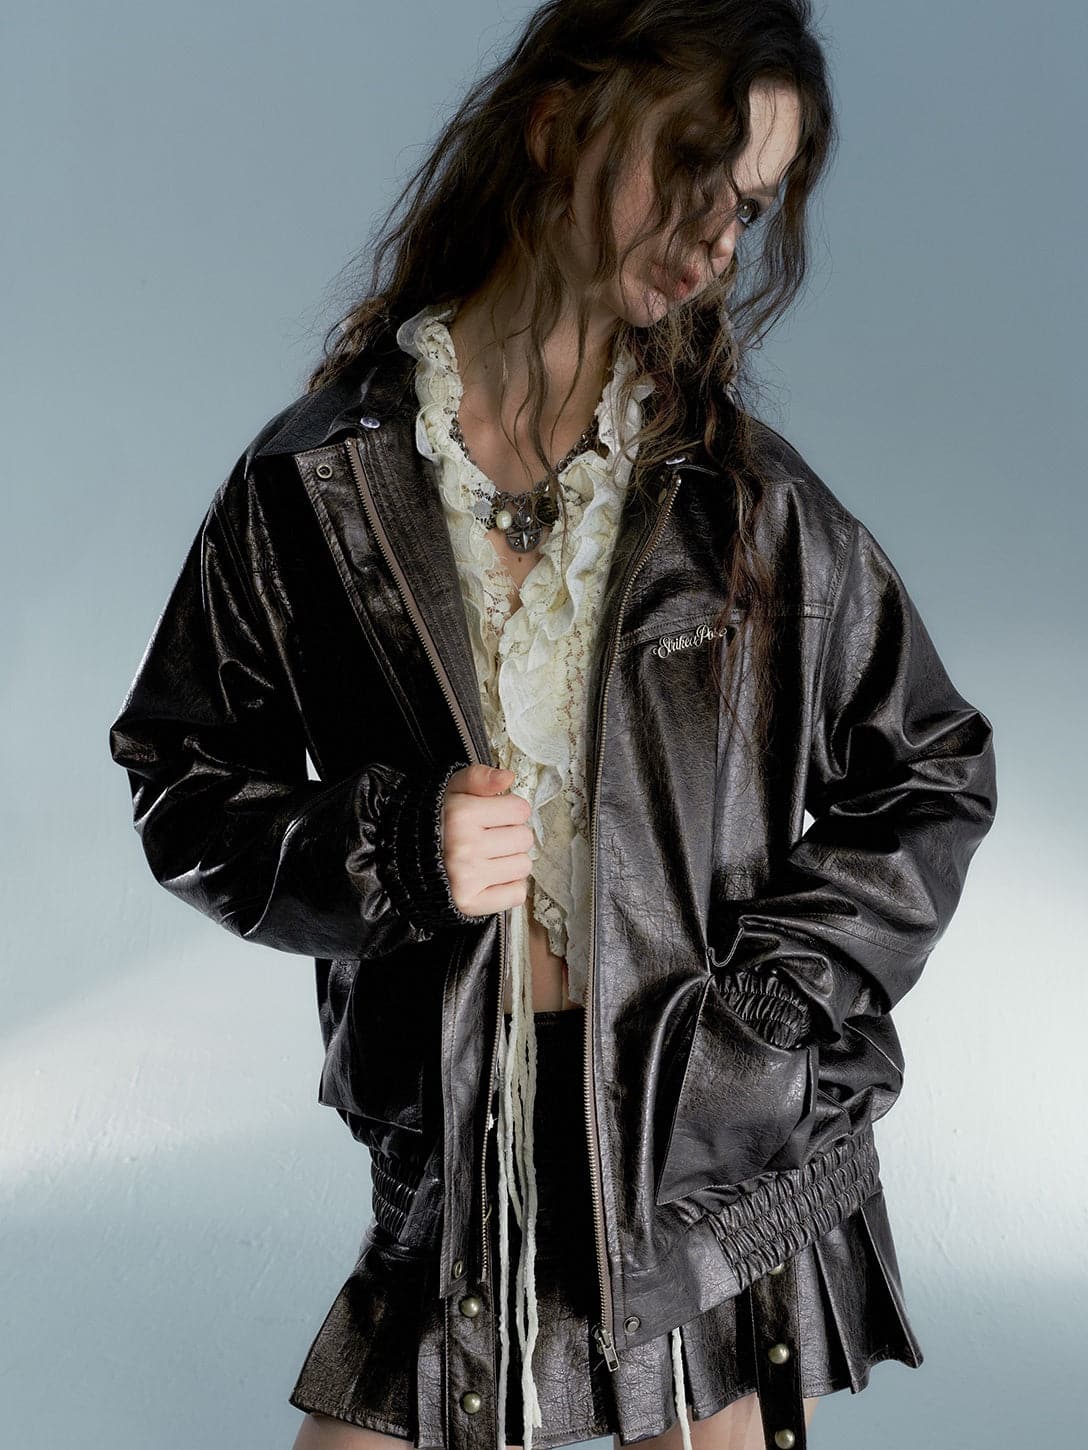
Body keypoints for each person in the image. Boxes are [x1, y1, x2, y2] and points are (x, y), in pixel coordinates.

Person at [107, 3, 998, 1449]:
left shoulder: (743, 505)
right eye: (695, 168)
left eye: (749, 205)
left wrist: (765, 1009)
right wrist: (392, 847)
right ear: (558, 121)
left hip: (697, 1167)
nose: (717, 239)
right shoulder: (319, 484)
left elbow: (933, 768)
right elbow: (183, 779)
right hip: (464, 1154)